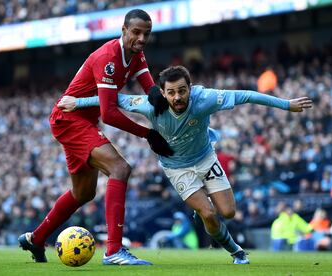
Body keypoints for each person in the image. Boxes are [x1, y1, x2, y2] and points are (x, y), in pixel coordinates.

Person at [58, 65, 313, 264]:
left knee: (228, 213)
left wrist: (286, 104)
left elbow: (245, 95)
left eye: (182, 90)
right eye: (170, 92)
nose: (177, 97)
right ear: (162, 92)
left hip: (205, 158)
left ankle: (203, 211)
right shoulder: (150, 105)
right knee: (209, 214)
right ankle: (235, 251)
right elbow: (114, 100)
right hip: (177, 167)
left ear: (190, 88)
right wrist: (77, 102)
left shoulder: (205, 98)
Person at [18, 9, 173, 266]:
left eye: (147, 33)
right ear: (123, 31)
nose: (142, 38)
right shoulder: (109, 57)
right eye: (136, 32)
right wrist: (147, 134)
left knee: (83, 193)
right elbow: (110, 114)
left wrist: (156, 93)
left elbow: (149, 87)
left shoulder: (135, 53)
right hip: (70, 119)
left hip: (83, 121)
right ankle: (113, 251)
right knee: (120, 168)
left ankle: (37, 238)